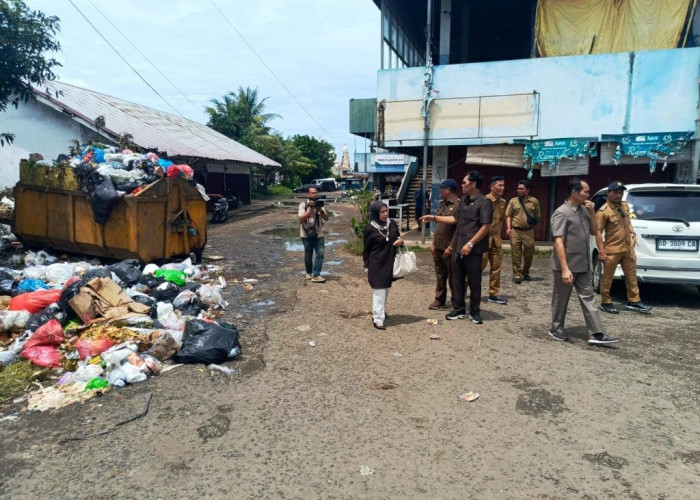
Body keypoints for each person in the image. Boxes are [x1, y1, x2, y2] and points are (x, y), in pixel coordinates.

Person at [549, 178, 619, 345]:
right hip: (566, 265)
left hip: (583, 263)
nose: (588, 194)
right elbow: (558, 241)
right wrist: (565, 269)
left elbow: (595, 231)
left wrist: (592, 213)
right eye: (585, 192)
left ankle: (596, 333)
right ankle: (556, 329)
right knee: (561, 299)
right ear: (574, 193)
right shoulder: (561, 212)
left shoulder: (584, 210)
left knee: (588, 297)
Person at [422, 171, 493, 324]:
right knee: (457, 279)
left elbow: (485, 226)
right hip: (458, 247)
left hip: (473, 249)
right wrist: (433, 218)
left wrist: (470, 243)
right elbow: (455, 219)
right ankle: (459, 309)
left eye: (464, 182)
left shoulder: (484, 202)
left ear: (473, 184)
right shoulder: (464, 201)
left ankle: (475, 311)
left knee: (474, 281)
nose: (461, 185)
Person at [596, 181, 651, 314]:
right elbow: (598, 232)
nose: (618, 195)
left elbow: (628, 222)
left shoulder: (624, 206)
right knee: (608, 277)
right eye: (615, 192)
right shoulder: (603, 211)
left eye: (620, 193)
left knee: (631, 275)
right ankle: (605, 301)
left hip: (627, 248)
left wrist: (632, 232)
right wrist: (601, 252)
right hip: (612, 249)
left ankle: (634, 300)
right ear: (609, 193)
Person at [363, 201, 404, 330]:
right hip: (376, 264)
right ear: (376, 213)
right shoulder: (370, 228)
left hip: (389, 262)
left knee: (385, 290)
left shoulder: (391, 223)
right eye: (382, 212)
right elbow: (366, 249)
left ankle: (380, 312)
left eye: (386, 211)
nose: (385, 214)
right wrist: (366, 265)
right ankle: (378, 319)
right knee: (379, 292)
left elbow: (398, 237)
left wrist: (400, 241)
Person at [428, 179, 460, 310]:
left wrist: (451, 247)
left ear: (447, 189)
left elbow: (459, 229)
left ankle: (456, 301)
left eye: (442, 189)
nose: (440, 191)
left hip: (450, 247)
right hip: (439, 246)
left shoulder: (458, 205)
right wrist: (433, 243)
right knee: (440, 275)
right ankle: (439, 300)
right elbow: (438, 226)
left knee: (453, 276)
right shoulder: (441, 204)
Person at [506, 179, 540, 284]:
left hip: (528, 231)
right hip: (515, 230)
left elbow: (537, 216)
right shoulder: (513, 201)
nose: (519, 190)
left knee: (529, 253)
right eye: (518, 188)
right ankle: (517, 274)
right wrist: (508, 228)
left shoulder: (534, 201)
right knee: (516, 254)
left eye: (522, 189)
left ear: (527, 190)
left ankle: (526, 272)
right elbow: (508, 215)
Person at [482, 176, 508, 305]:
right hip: (483, 240)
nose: (502, 188)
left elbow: (501, 221)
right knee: (477, 267)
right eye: (499, 185)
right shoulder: (484, 201)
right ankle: (465, 288)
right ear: (492, 187)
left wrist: (499, 236)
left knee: (496, 268)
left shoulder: (503, 202)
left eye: (503, 185)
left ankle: (493, 294)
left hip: (496, 240)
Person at [298, 187, 329, 283]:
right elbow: (301, 219)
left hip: (319, 233)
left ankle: (316, 274)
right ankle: (308, 272)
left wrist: (320, 210)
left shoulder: (319, 203)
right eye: (312, 193)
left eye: (316, 193)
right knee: (308, 254)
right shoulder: (303, 204)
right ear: (308, 194)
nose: (314, 194)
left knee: (320, 253)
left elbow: (326, 218)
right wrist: (310, 209)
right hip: (306, 233)